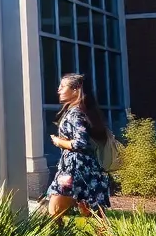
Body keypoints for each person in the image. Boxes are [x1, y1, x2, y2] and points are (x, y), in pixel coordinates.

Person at [47, 73, 112, 218]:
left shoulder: (75, 113)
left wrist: (59, 142)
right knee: (94, 216)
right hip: (89, 170)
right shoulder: (84, 111)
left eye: (63, 86)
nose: (58, 90)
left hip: (74, 169)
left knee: (53, 211)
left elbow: (81, 142)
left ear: (76, 90)